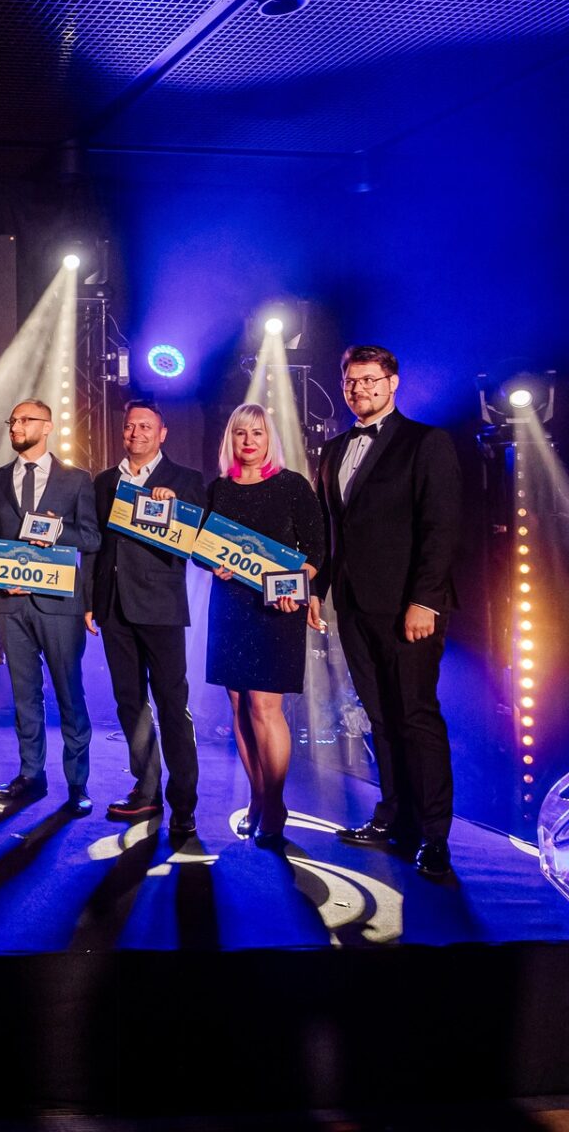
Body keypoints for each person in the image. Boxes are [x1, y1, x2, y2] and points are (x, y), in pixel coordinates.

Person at [319, 346, 462, 878]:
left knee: (416, 716)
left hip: (409, 608)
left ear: (393, 382)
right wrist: (318, 589)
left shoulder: (426, 442)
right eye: (351, 381)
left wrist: (425, 600)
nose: (360, 389)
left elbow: (441, 527)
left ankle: (434, 836)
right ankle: (394, 818)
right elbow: (334, 532)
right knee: (379, 717)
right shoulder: (333, 449)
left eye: (370, 380)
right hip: (354, 606)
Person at [204, 403, 327, 848]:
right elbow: (203, 547)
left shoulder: (291, 485)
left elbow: (317, 549)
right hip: (230, 607)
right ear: (231, 439)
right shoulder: (218, 489)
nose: (249, 441)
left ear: (269, 438)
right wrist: (211, 564)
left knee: (264, 706)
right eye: (241, 433)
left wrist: (299, 588)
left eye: (257, 432)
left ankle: (275, 804)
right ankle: (257, 799)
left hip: (277, 609)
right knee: (238, 705)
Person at [0, 397, 101, 816]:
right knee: (24, 696)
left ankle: (77, 783)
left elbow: (92, 538)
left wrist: (56, 533)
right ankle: (31, 775)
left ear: (47, 427)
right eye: (12, 421)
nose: (15, 427)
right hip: (11, 605)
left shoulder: (76, 480)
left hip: (59, 603)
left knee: (69, 693)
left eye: (25, 420)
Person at [89, 401, 208, 836]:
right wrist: (91, 601)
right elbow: (97, 545)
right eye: (129, 426)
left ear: (162, 433)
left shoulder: (186, 480)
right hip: (114, 607)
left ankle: (184, 804)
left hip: (161, 607)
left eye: (145, 426)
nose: (136, 432)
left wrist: (176, 506)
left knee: (173, 705)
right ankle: (147, 788)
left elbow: (198, 538)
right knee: (129, 702)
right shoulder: (106, 481)